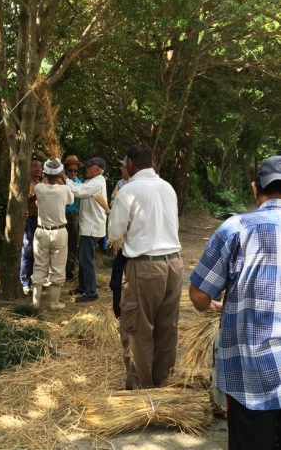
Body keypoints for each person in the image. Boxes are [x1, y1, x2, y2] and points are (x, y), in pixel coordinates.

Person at [189, 156, 281, 450]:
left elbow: (199, 295)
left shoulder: (236, 228)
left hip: (252, 375)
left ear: (256, 188)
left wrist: (216, 306)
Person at [108, 144, 183, 389]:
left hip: (145, 266)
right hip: (173, 263)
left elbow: (114, 232)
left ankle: (142, 390)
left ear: (130, 163)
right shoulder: (167, 188)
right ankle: (164, 382)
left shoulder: (129, 191)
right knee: (166, 327)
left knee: (138, 329)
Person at [32, 159, 74, 311]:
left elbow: (44, 182)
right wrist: (61, 178)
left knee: (39, 266)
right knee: (58, 267)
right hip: (59, 232)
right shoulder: (65, 190)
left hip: (41, 231)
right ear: (60, 174)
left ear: (45, 173)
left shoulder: (39, 188)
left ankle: (35, 303)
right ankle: (54, 303)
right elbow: (70, 201)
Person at [64, 156, 108, 303]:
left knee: (86, 260)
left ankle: (91, 292)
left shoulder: (97, 182)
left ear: (97, 170)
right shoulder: (93, 181)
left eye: (89, 167)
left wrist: (64, 178)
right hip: (88, 226)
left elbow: (78, 191)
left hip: (91, 227)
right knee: (83, 259)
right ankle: (83, 287)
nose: (86, 169)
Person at [109, 157, 131, 318]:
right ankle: (117, 310)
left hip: (132, 240)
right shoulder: (119, 184)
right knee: (118, 272)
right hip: (121, 240)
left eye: (122, 167)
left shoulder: (137, 187)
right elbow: (112, 200)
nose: (121, 170)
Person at [20, 158, 43, 295]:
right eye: (34, 166)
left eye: (40, 166)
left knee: (38, 252)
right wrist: (37, 195)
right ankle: (25, 282)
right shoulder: (26, 183)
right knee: (27, 250)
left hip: (40, 220)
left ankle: (36, 281)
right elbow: (25, 201)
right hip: (29, 219)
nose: (38, 169)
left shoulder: (41, 183)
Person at [62, 155, 84, 281]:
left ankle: (69, 270)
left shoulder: (79, 183)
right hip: (61, 215)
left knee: (72, 243)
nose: (73, 173)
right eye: (70, 170)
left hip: (73, 216)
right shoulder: (60, 181)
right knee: (60, 244)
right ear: (65, 170)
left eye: (75, 170)